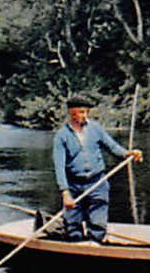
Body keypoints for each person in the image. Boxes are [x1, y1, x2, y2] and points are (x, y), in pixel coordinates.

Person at [52, 95, 141, 243]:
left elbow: (112, 147)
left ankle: (95, 243)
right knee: (72, 223)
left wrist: (127, 153)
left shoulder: (95, 128)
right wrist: (65, 193)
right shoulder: (62, 136)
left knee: (98, 220)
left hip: (97, 182)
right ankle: (75, 244)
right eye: (80, 112)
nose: (84, 116)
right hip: (74, 184)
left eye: (86, 112)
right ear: (71, 112)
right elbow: (59, 166)